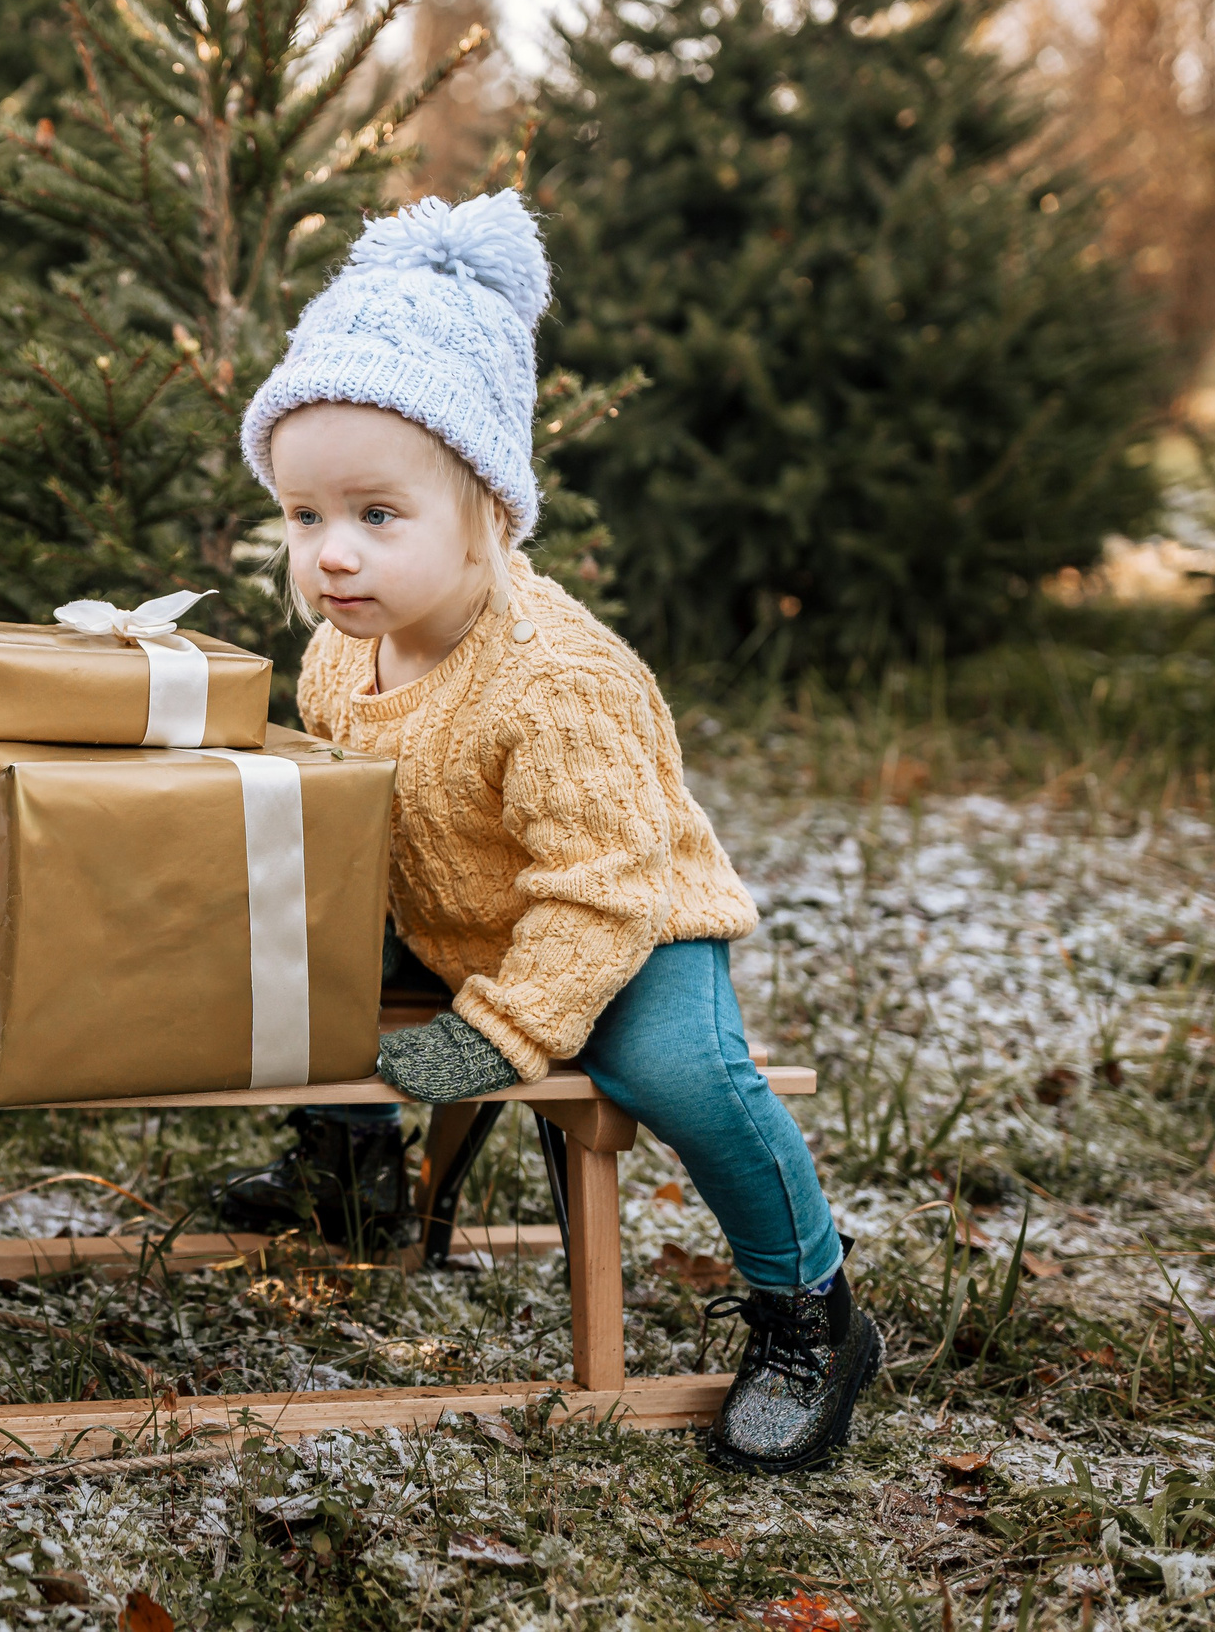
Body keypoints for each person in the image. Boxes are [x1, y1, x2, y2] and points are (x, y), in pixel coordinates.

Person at [211, 191, 880, 1474]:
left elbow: (602, 887)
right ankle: (348, 1167)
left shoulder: (551, 681)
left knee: (678, 1073)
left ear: (488, 512)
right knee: (294, 954)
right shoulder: (339, 656)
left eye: (376, 515)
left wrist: (504, 1032)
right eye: (303, 516)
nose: (329, 555)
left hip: (623, 926)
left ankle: (810, 1313)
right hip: (450, 913)